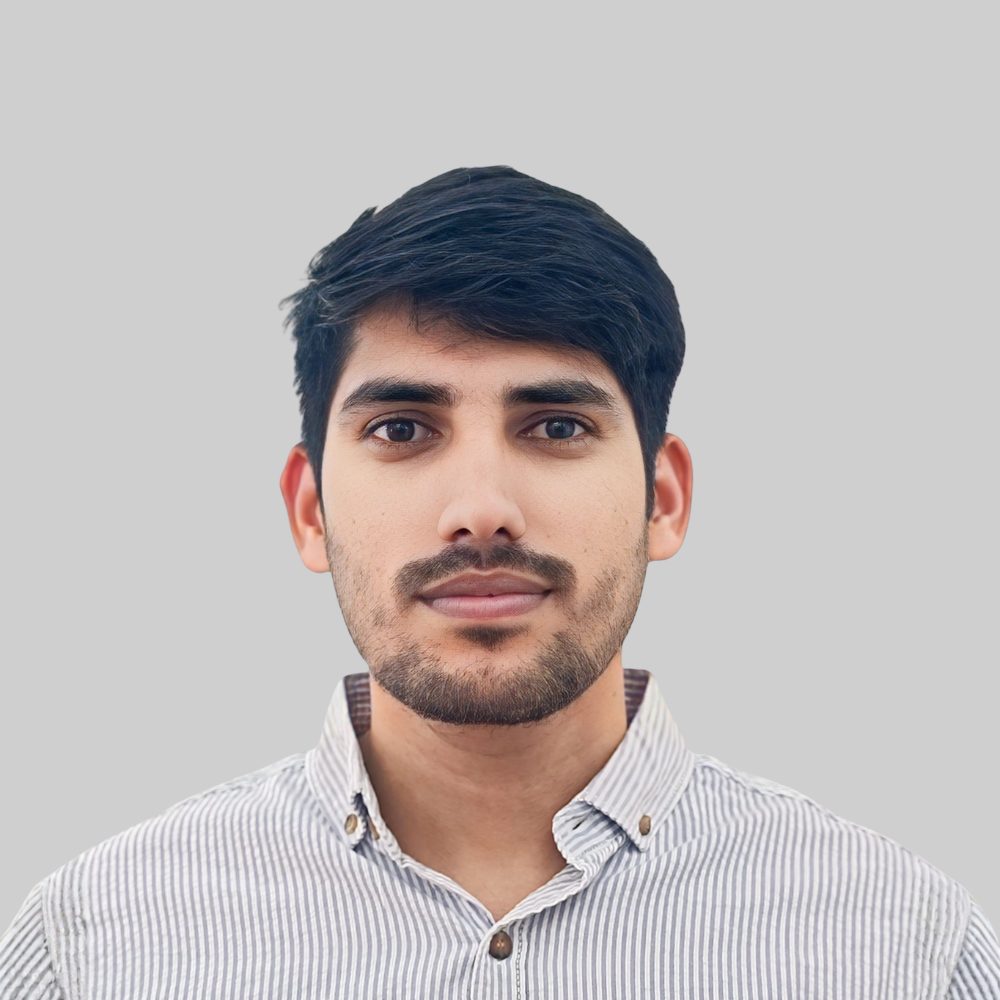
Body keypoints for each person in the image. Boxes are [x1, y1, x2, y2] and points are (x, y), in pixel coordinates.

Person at [1, 166, 996, 1000]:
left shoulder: (898, 946)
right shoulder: (98, 946)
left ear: (664, 499)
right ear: (310, 510)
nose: (480, 510)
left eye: (556, 426)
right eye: (402, 429)